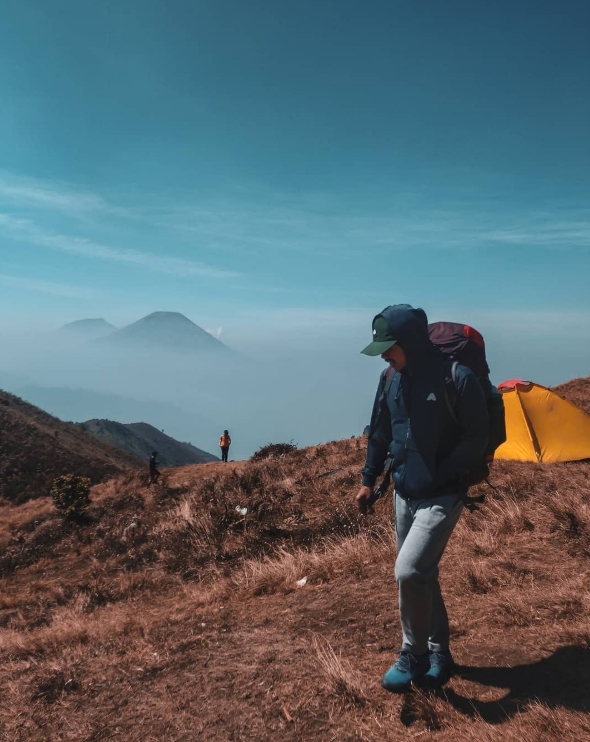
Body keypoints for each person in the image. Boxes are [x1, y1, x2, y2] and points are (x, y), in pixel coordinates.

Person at [357, 304, 488, 693]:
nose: (382, 354)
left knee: (409, 572)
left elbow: (475, 438)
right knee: (423, 577)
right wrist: (368, 480)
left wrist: (444, 473)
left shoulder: (456, 379)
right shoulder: (391, 378)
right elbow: (380, 432)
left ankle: (412, 653)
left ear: (411, 342)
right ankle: (439, 656)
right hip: (403, 494)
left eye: (388, 346)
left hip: (443, 496)